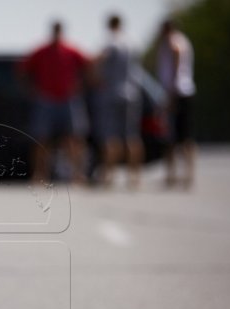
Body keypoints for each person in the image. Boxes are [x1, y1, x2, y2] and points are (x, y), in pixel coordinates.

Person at [19, 21, 92, 184]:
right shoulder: (41, 51)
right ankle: (39, 174)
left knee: (74, 139)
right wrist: (31, 89)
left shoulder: (71, 50)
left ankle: (77, 175)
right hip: (46, 99)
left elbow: (89, 65)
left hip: (68, 99)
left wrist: (81, 85)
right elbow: (23, 69)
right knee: (41, 139)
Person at [97, 14, 143, 189]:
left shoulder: (111, 41)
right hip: (132, 93)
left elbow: (100, 58)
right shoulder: (133, 42)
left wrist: (97, 77)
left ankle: (109, 176)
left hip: (112, 93)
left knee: (110, 136)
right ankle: (135, 177)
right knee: (132, 136)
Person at [156, 19, 196, 189]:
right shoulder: (182, 39)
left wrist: (171, 90)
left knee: (174, 136)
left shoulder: (173, 42)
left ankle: (175, 175)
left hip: (177, 93)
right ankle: (184, 175)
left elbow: (176, 51)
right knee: (181, 136)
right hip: (182, 92)